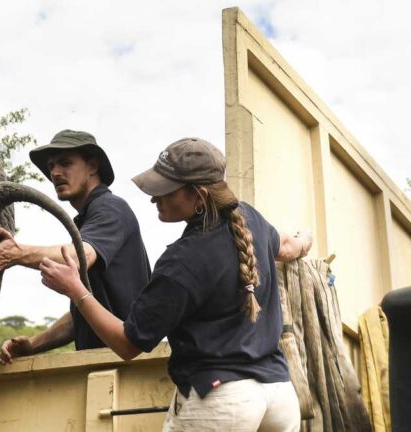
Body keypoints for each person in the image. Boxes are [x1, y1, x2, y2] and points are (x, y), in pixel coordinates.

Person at [38, 137, 312, 431]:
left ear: (199, 196)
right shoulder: (249, 218)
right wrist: (304, 239)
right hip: (279, 395)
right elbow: (287, 247)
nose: (153, 199)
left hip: (222, 400)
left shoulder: (182, 261)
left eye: (164, 190)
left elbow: (128, 345)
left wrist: (76, 290)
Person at [0, 129, 150, 363]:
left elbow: (79, 256)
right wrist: (33, 345)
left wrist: (17, 254)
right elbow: (83, 313)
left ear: (93, 166)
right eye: (51, 166)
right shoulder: (88, 219)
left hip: (130, 368)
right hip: (105, 365)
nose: (55, 173)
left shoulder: (110, 208)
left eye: (65, 163)